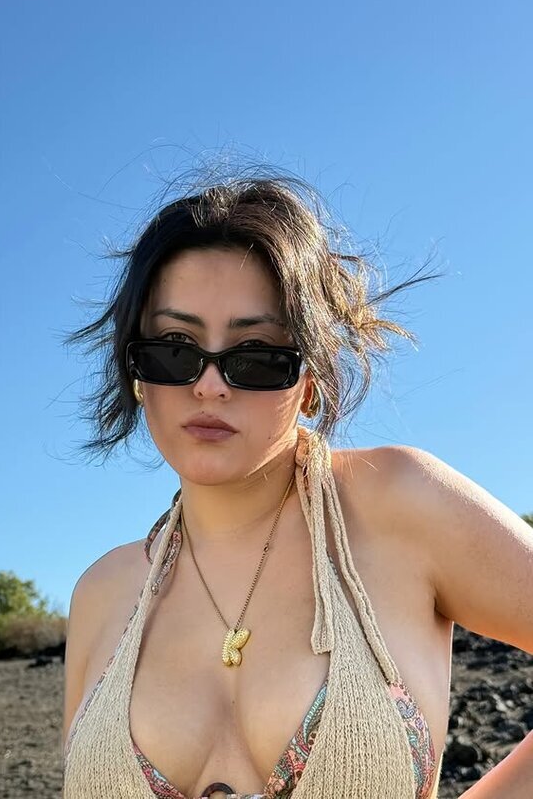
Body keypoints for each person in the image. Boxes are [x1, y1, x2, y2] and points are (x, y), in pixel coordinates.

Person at [61, 173, 533, 799]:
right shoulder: (101, 593)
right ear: (136, 371)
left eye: (256, 354)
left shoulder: (399, 504)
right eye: (174, 348)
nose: (209, 386)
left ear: (309, 381)